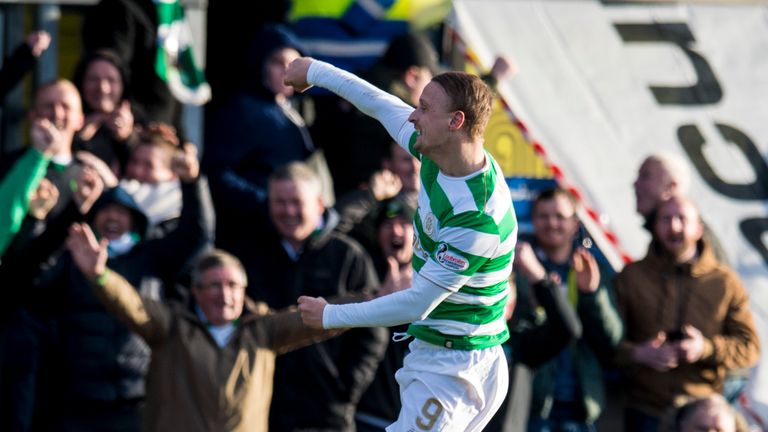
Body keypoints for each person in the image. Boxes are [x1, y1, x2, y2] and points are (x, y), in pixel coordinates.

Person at [286, 56, 517, 430]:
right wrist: (315, 71)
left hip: (454, 366)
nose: (413, 116)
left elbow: (418, 302)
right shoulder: (434, 150)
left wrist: (330, 315)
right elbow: (378, 103)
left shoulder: (478, 216)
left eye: (425, 109)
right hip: (456, 354)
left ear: (456, 122)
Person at [64, 231, 341, 432]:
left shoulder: (263, 329)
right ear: (195, 291)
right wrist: (101, 276)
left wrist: (376, 301)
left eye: (233, 285)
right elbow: (132, 305)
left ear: (244, 291)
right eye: (214, 286)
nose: (225, 294)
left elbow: (320, 318)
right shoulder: (172, 326)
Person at [247, 162, 387, 431]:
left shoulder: (348, 256)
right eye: (280, 202)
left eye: (296, 202)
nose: (288, 211)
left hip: (328, 415)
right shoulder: (253, 255)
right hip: (265, 410)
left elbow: (373, 329)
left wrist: (345, 391)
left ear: (320, 204)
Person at [613, 195, 760, 432]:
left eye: (682, 219)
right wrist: (639, 353)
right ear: (654, 227)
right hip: (645, 409)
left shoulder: (725, 282)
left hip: (700, 415)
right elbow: (603, 343)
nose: (674, 227)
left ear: (699, 228)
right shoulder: (631, 277)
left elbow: (749, 348)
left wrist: (705, 348)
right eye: (666, 219)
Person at [511, 188, 622, 431]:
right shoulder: (518, 268)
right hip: (532, 405)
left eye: (560, 216)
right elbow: (514, 335)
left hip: (581, 406)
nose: (552, 223)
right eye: (543, 216)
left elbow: (611, 340)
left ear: (575, 223)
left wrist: (592, 295)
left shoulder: (593, 270)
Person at [72, 49, 136, 177]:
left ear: (123, 85)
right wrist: (79, 137)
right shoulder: (66, 116)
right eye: (93, 79)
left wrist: (127, 138)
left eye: (111, 80)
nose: (103, 88)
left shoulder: (139, 121)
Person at [0, 30, 51, 101]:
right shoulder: (22, 50)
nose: (36, 37)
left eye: (38, 39)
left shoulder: (28, 59)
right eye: (36, 35)